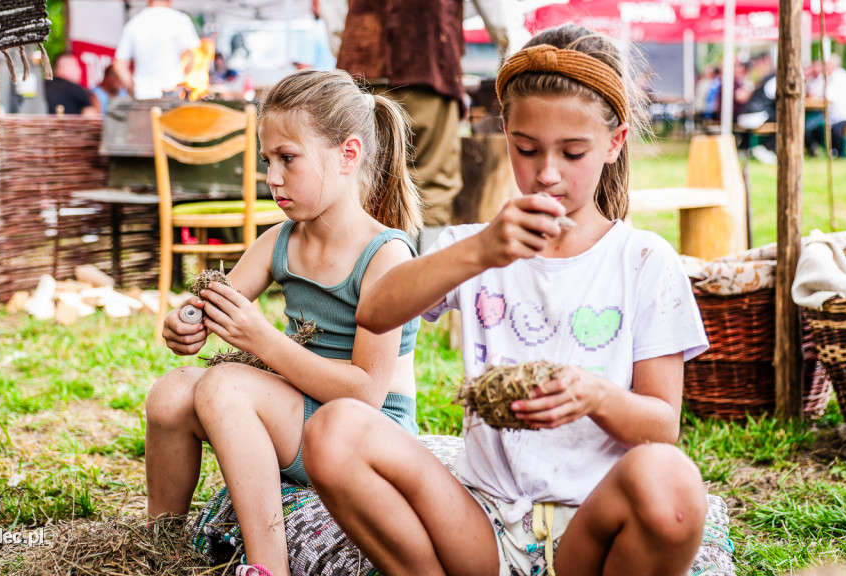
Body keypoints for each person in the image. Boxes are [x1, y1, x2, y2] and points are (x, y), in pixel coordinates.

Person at [302, 23, 710, 576]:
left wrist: (594, 395)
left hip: (592, 527)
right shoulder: (477, 248)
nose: (546, 174)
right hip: (481, 526)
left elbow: (662, 427)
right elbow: (374, 311)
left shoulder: (642, 261)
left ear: (614, 144)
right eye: (526, 149)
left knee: (674, 481)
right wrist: (480, 252)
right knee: (334, 430)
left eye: (572, 152)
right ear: (506, 135)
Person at [146, 68, 424, 576]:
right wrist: (184, 322)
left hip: (366, 434)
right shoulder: (280, 240)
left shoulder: (385, 257)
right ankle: (159, 548)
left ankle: (266, 567)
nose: (272, 177)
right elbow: (215, 302)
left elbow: (365, 393)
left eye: (288, 160)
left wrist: (264, 341)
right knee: (170, 395)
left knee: (226, 384)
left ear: (348, 155)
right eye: (268, 160)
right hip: (301, 415)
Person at [333, 0, 511, 251]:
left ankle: (361, 278)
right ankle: (426, 279)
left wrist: (351, 52)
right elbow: (495, 10)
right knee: (432, 188)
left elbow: (334, 12)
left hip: (364, 71)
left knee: (362, 184)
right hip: (428, 63)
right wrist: (509, 49)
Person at [112, 0, 201, 99]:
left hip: (143, 95)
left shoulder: (134, 24)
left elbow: (119, 66)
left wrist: (133, 89)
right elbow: (195, 58)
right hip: (174, 94)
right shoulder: (180, 20)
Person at [806, 55, 846, 158]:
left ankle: (842, 154)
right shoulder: (828, 77)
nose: (825, 68)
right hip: (837, 115)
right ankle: (832, 151)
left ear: (834, 66)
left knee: (835, 129)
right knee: (817, 128)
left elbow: (828, 98)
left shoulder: (840, 77)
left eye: (827, 66)